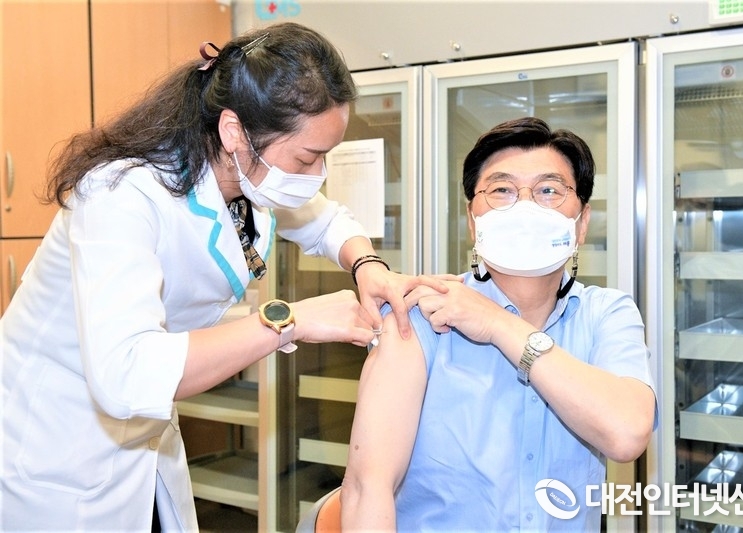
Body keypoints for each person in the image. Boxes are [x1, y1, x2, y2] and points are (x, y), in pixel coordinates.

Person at [0, 22, 446, 531]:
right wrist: (291, 320)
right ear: (234, 131)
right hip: (53, 446)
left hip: (142, 439)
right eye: (308, 157)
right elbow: (126, 374)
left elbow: (327, 223)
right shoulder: (119, 194)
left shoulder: (248, 177)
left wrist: (368, 266)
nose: (317, 175)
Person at [340, 117, 657, 531]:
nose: (524, 208)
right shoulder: (419, 316)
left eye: (548, 190)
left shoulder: (606, 314)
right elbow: (367, 488)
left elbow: (627, 433)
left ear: (582, 223)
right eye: (502, 190)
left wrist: (498, 324)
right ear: (472, 221)